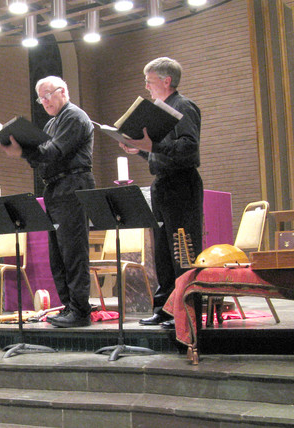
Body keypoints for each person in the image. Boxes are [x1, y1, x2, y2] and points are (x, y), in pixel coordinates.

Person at [2, 76, 95, 328]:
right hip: (56, 187)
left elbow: (53, 152)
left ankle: (80, 311)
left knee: (73, 251)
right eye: (40, 98)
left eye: (48, 95)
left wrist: (23, 150)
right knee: (58, 253)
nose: (44, 101)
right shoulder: (54, 122)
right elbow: (41, 158)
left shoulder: (73, 116)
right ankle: (69, 307)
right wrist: (25, 151)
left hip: (73, 186)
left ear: (63, 91)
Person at [119, 57, 203, 328]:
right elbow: (163, 152)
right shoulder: (160, 111)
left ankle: (185, 310)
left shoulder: (183, 107)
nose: (146, 86)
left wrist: (152, 144)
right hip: (163, 184)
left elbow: (189, 147)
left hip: (181, 184)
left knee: (182, 250)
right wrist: (141, 149)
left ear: (166, 81)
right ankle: (165, 308)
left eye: (149, 80)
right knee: (163, 252)